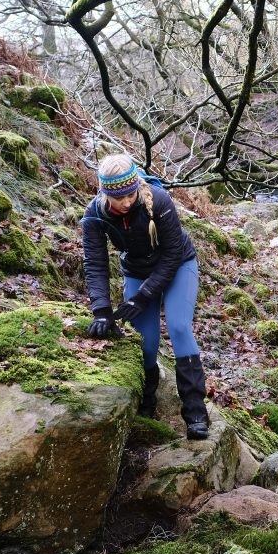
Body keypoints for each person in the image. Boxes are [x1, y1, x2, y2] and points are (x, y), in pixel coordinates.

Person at [81, 152, 209, 440]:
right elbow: (95, 263)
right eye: (119, 197)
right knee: (147, 344)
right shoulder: (94, 214)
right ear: (105, 193)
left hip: (178, 267)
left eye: (130, 194)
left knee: (178, 326)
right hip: (137, 272)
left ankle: (195, 412)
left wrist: (143, 297)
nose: (126, 202)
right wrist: (101, 310)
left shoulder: (159, 201)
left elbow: (174, 253)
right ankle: (147, 404)